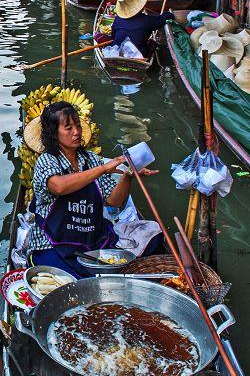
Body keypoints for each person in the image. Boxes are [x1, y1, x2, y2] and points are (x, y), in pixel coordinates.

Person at [26, 102, 158, 278]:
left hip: (91, 239)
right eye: (68, 128)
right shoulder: (48, 160)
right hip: (53, 244)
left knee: (154, 234)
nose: (76, 132)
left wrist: (128, 176)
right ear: (54, 134)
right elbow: (59, 186)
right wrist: (103, 169)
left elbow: (114, 202)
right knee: (75, 283)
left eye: (78, 126)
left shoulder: (91, 160)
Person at [108, 0, 176, 57]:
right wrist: (167, 14)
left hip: (116, 51)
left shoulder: (118, 18)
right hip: (137, 54)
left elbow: (113, 36)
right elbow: (167, 17)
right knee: (152, 43)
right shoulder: (147, 21)